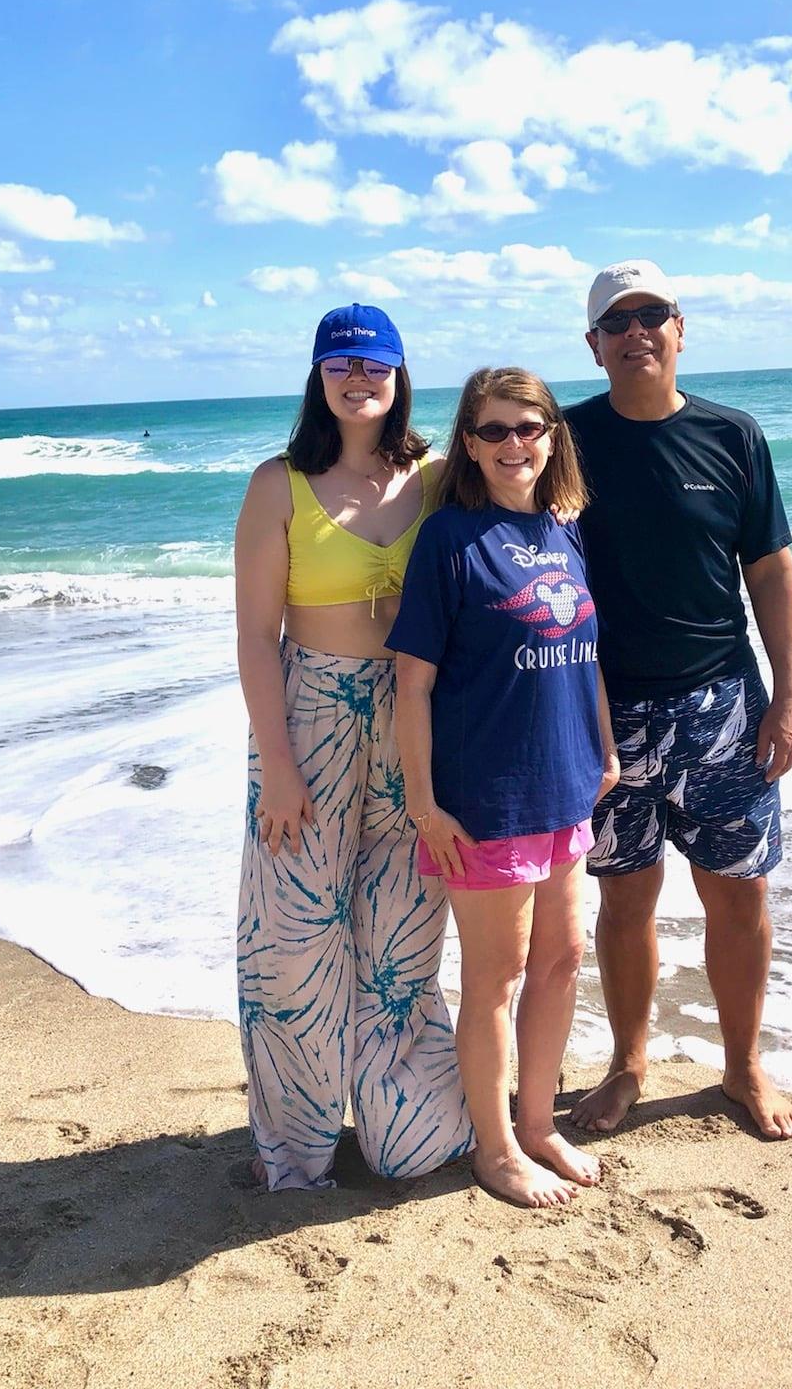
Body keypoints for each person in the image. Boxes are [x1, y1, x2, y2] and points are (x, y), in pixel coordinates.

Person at [564, 260, 792, 1141]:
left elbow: (770, 568)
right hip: (605, 717)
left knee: (738, 897)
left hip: (726, 712)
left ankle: (742, 1067)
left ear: (679, 327)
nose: (637, 333)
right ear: (594, 347)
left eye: (652, 315)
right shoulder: (565, 441)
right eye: (617, 323)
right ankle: (628, 1065)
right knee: (624, 901)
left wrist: (789, 698)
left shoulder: (734, 436)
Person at [233, 303, 473, 1190]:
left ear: (402, 374)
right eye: (342, 365)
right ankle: (296, 1149)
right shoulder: (277, 484)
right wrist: (281, 773)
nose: (359, 379)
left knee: (405, 934)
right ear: (318, 378)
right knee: (293, 942)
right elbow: (258, 638)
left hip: (418, 716)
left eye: (376, 364)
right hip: (309, 715)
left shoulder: (442, 475)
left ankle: (406, 1128)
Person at [388, 368, 620, 1208]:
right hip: (484, 797)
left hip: (565, 786)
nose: (513, 444)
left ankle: (535, 1124)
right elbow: (411, 686)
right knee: (497, 976)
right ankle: (493, 1149)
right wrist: (424, 803)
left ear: (552, 435)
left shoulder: (566, 530)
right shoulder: (450, 540)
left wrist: (603, 748)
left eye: (528, 427)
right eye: (493, 431)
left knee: (563, 957)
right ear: (470, 444)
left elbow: (585, 651)